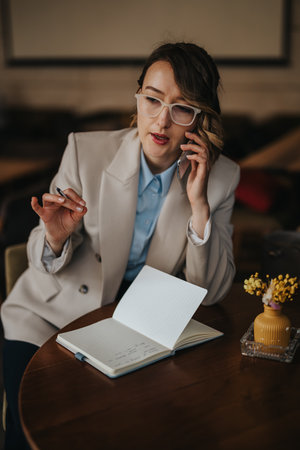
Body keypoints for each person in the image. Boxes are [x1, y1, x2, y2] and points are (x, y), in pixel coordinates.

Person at [1, 42, 240, 448]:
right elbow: (40, 260)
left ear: (200, 120)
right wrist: (57, 235)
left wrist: (199, 206)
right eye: (153, 99)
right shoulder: (86, 150)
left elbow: (212, 292)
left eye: (182, 108)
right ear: (138, 98)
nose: (161, 121)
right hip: (48, 321)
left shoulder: (221, 178)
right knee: (32, 436)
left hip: (129, 332)